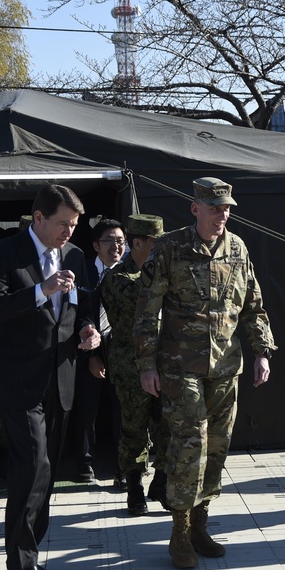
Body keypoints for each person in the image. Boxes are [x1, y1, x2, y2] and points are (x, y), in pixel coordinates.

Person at [135, 177, 276, 570]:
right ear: (195, 207)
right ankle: (179, 529)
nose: (222, 215)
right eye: (215, 208)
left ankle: (200, 524)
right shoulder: (169, 247)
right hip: (181, 368)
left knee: (217, 445)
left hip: (226, 366)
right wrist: (146, 364)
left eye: (227, 208)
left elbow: (253, 305)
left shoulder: (238, 248)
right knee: (188, 444)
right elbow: (147, 311)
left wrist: (262, 351)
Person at [0, 184, 100, 570]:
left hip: (61, 374)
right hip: (18, 378)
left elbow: (83, 305)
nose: (70, 231)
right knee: (32, 464)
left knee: (47, 473)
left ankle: (28, 550)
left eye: (75, 224)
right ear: (39, 218)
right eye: (63, 223)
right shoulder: (4, 252)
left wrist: (88, 328)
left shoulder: (77, 256)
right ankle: (22, 562)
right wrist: (39, 291)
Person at [99, 214, 168, 516]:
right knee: (134, 431)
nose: (159, 250)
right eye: (155, 244)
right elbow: (140, 298)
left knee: (168, 427)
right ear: (137, 243)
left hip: (164, 365)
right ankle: (135, 486)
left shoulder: (163, 274)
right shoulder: (117, 278)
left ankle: (162, 480)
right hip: (131, 368)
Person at [71, 218, 125, 485]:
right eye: (109, 241)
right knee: (87, 409)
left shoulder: (130, 273)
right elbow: (80, 312)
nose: (116, 246)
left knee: (123, 410)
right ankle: (84, 463)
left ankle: (124, 464)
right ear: (95, 245)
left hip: (122, 353)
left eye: (120, 241)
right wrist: (92, 355)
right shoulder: (83, 272)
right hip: (89, 348)